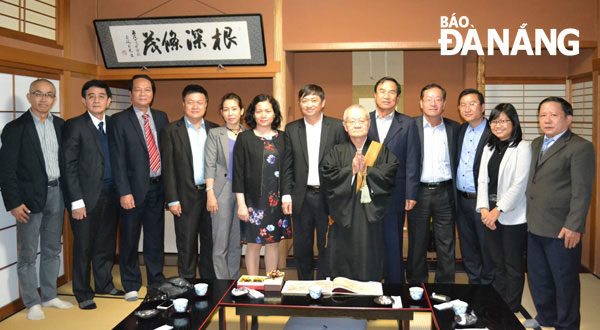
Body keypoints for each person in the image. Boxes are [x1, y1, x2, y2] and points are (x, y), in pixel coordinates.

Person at [0, 78, 72, 320]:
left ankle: (50, 295)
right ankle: (32, 301)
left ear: (54, 99)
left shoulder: (61, 125)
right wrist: (13, 203)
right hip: (28, 200)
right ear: (29, 97)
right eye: (38, 94)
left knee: (52, 248)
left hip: (57, 193)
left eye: (49, 94)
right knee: (28, 253)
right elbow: (6, 170)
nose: (44, 99)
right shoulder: (15, 128)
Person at [524, 97, 595, 330]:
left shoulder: (580, 147)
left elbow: (582, 191)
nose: (547, 120)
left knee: (564, 282)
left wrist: (575, 225)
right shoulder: (535, 143)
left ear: (568, 119)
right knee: (539, 279)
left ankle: (567, 324)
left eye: (553, 115)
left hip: (562, 228)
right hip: (535, 224)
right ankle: (546, 317)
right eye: (543, 115)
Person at [62, 80, 124, 310]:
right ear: (84, 100)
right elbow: (68, 166)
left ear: (109, 101)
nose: (96, 100)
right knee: (84, 246)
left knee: (106, 243)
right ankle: (82, 292)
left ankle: (104, 284)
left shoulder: (114, 125)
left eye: (101, 96)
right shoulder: (75, 125)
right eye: (91, 96)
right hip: (85, 199)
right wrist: (76, 201)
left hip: (111, 194)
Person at [109, 74, 169, 301]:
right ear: (131, 94)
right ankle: (131, 283)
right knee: (129, 238)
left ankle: (156, 279)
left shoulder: (162, 117)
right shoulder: (119, 120)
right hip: (132, 191)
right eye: (138, 90)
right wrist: (124, 191)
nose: (143, 94)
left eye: (147, 90)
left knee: (155, 238)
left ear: (153, 93)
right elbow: (117, 160)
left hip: (157, 188)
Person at [321, 104, 398, 282]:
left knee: (369, 258)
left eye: (362, 120)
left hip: (370, 217)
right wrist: (351, 171)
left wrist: (368, 172)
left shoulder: (381, 150)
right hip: (343, 217)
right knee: (342, 265)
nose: (357, 124)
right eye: (352, 121)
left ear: (369, 124)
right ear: (345, 125)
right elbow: (328, 179)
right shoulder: (336, 151)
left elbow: (390, 175)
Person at [282, 84, 347, 280]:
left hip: (328, 196)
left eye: (313, 100)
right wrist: (286, 194)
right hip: (301, 196)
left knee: (326, 243)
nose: (309, 104)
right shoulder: (292, 129)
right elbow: (287, 165)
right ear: (300, 103)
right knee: (302, 245)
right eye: (304, 100)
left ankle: (326, 282)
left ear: (323, 103)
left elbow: (342, 162)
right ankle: (305, 283)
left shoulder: (336, 127)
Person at [475, 103, 531, 312]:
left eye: (504, 121)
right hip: (489, 214)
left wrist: (497, 210)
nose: (498, 125)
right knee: (496, 262)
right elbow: (481, 180)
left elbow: (520, 183)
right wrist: (483, 210)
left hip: (512, 215)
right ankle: (500, 302)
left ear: (513, 123)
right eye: (495, 121)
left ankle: (512, 306)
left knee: (513, 264)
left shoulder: (523, 147)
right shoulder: (490, 147)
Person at [161, 84, 218, 281]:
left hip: (210, 195)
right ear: (183, 104)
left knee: (210, 242)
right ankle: (186, 284)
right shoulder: (170, 130)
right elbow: (167, 168)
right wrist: (172, 199)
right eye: (191, 102)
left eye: (199, 102)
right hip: (185, 196)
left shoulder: (215, 129)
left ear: (206, 105)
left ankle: (209, 284)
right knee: (186, 244)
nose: (195, 106)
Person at [367, 77, 420, 284]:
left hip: (395, 193)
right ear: (375, 95)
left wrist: (411, 193)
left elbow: (413, 159)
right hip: (367, 192)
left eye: (391, 92)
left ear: (397, 97)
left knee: (393, 241)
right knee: (369, 240)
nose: (386, 96)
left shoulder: (407, 123)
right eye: (382, 91)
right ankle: (369, 283)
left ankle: (394, 287)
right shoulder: (364, 119)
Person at [233, 94, 292, 276]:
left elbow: (289, 170)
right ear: (253, 114)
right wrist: (241, 204)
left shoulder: (283, 138)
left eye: (268, 111)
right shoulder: (245, 138)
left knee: (273, 243)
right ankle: (252, 284)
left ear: (274, 114)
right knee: (253, 244)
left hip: (276, 200)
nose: (263, 115)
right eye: (259, 111)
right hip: (253, 202)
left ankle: (271, 283)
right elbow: (238, 173)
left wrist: (287, 196)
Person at [407, 83, 459, 284]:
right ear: (421, 103)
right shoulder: (411, 126)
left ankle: (445, 286)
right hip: (418, 192)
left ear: (444, 103)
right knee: (417, 242)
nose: (433, 103)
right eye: (428, 99)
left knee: (446, 242)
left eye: (438, 99)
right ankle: (415, 285)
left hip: (446, 192)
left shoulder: (454, 128)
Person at [204, 93, 245, 280]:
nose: (230, 113)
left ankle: (234, 280)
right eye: (226, 109)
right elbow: (209, 164)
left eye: (234, 109)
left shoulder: (249, 134)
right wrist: (210, 193)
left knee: (236, 241)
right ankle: (222, 282)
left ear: (242, 111)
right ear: (221, 112)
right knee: (221, 241)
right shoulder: (214, 134)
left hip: (243, 192)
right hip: (222, 190)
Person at [455, 88, 494, 285]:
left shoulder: (494, 132)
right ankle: (474, 285)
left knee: (487, 248)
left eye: (473, 104)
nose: (467, 108)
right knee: (468, 247)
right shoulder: (460, 130)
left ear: (483, 107)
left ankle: (488, 290)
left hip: (484, 201)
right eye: (463, 105)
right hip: (461, 199)